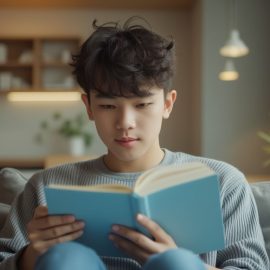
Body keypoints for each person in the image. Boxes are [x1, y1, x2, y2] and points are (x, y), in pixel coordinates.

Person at [0, 17, 269, 270]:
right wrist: (35, 253)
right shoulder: (46, 187)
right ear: (89, 107)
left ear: (167, 103)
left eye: (141, 104)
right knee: (66, 258)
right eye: (107, 105)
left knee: (175, 263)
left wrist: (182, 263)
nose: (125, 122)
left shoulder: (222, 182)